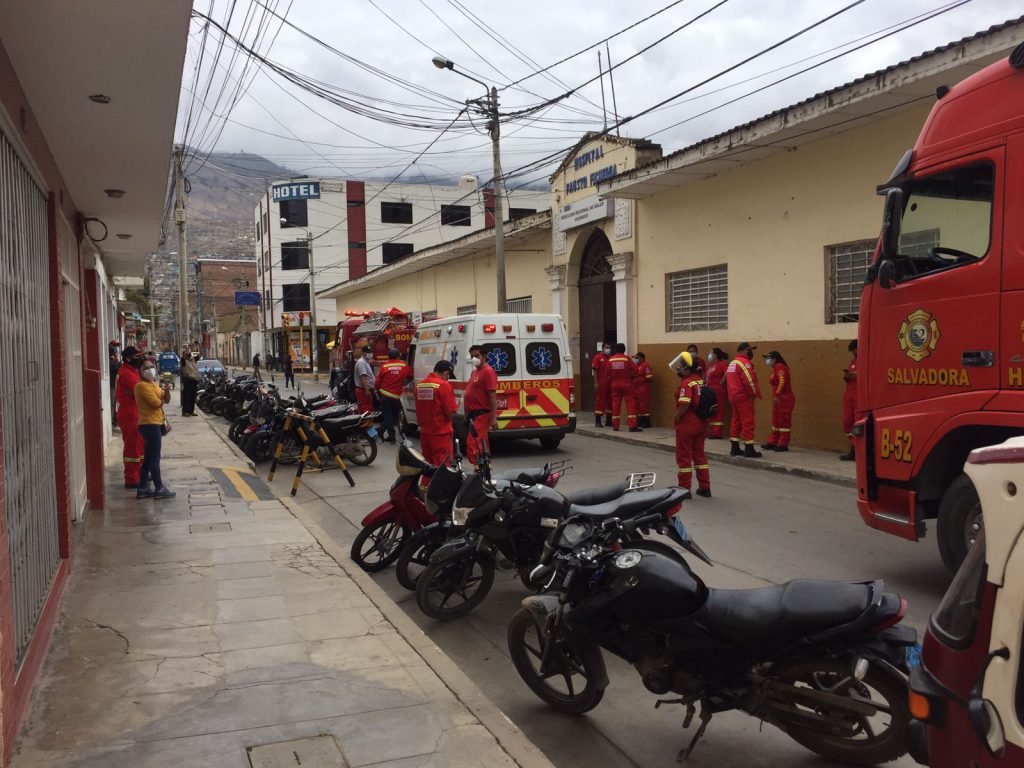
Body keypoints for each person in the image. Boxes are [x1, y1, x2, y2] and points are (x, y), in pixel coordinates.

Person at [671, 351, 711, 497]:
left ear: (688, 368)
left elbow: (684, 404)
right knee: (700, 456)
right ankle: (705, 487)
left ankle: (684, 489)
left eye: (681, 367)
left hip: (687, 423)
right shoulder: (700, 380)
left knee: (684, 457)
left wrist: (677, 417)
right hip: (701, 423)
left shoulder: (687, 383)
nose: (679, 369)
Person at [134, 358, 175, 499]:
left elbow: (166, 399)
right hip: (149, 424)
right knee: (155, 458)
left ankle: (143, 488)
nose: (150, 370)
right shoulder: (141, 386)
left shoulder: (153, 384)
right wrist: (163, 397)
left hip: (155, 423)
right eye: (146, 368)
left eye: (152, 366)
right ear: (140, 371)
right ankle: (159, 488)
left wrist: (167, 391)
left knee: (148, 458)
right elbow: (156, 403)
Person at [415, 360, 457, 466]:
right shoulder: (444, 386)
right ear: (446, 373)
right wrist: (457, 406)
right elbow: (450, 414)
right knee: (443, 466)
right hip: (441, 434)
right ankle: (441, 483)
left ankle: (425, 483)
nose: (448, 379)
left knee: (427, 466)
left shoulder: (420, 385)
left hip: (425, 433)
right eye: (448, 376)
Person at [115, 347, 145, 488]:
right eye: (137, 356)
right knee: (132, 447)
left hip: (135, 412)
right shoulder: (127, 373)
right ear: (128, 358)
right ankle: (131, 478)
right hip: (129, 413)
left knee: (140, 445)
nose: (140, 359)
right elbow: (141, 389)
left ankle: (140, 473)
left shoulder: (132, 371)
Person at [726, 342, 762, 458]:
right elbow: (749, 381)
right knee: (748, 422)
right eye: (748, 350)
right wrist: (754, 393)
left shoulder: (733, 363)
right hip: (744, 397)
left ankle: (735, 448)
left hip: (733, 396)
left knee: (736, 421)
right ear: (741, 351)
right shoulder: (745, 363)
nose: (750, 352)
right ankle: (749, 449)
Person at [464, 344, 498, 465]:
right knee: (481, 444)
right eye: (472, 356)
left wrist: (493, 418)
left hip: (482, 414)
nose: (474, 358)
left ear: (484, 356)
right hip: (473, 415)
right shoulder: (475, 372)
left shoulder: (488, 371)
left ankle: (479, 469)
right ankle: (484, 469)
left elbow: (492, 395)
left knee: (473, 444)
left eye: (477, 356)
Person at [375, 348, 411, 444]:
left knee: (388, 415)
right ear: (398, 356)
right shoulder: (404, 365)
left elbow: (377, 381)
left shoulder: (384, 366)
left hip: (385, 394)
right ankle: (390, 435)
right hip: (396, 396)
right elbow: (410, 375)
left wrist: (376, 389)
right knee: (394, 416)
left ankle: (382, 429)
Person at [761, 351, 795, 452]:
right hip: (778, 398)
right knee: (776, 420)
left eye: (768, 358)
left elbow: (782, 381)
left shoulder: (780, 366)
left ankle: (783, 444)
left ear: (774, 358)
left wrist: (777, 394)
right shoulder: (775, 368)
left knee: (783, 421)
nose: (767, 360)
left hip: (784, 398)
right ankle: (772, 442)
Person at [607, 343, 640, 432]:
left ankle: (615, 426)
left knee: (615, 404)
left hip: (614, 384)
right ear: (624, 350)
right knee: (630, 404)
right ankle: (632, 426)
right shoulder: (627, 359)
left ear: (616, 350)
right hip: (627, 383)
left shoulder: (611, 360)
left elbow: (608, 374)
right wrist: (631, 376)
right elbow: (636, 371)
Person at [705, 347, 729, 439]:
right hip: (710, 391)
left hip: (718, 391)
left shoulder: (722, 364)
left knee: (719, 411)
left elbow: (727, 373)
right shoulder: (711, 366)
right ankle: (712, 431)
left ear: (716, 355)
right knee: (711, 411)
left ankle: (717, 433)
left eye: (711, 353)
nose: (709, 355)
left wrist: (722, 382)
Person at [840, 340, 858, 461]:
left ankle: (858, 452)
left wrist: (857, 375)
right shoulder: (853, 361)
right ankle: (853, 450)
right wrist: (848, 376)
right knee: (847, 423)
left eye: (854, 350)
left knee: (858, 426)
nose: (853, 353)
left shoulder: (867, 360)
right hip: (850, 397)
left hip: (859, 398)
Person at [632, 351, 654, 428]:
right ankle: (641, 421)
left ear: (641, 358)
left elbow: (649, 377)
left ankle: (647, 422)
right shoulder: (635, 365)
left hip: (643, 389)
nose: (635, 359)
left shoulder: (646, 365)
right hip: (635, 389)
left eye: (637, 358)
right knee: (637, 406)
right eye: (635, 358)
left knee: (644, 405)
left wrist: (642, 382)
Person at [592, 343, 611, 427]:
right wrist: (596, 382)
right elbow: (594, 371)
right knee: (600, 401)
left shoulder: (611, 358)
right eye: (607, 347)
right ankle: (598, 421)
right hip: (601, 382)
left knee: (610, 401)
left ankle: (609, 421)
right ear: (602, 348)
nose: (608, 349)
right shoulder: (597, 357)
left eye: (609, 348)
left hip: (610, 382)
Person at [354, 345, 375, 413]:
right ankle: (366, 423)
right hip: (363, 390)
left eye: (370, 352)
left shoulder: (365, 362)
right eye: (367, 352)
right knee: (366, 409)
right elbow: (362, 376)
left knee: (367, 407)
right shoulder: (361, 362)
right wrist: (367, 389)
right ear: (363, 353)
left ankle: (366, 423)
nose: (369, 354)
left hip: (364, 389)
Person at [180, 350, 200, 416]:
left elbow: (199, 356)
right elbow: (182, 359)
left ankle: (191, 411)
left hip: (194, 380)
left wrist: (198, 348)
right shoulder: (184, 361)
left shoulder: (193, 360)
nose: (189, 353)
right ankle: (185, 412)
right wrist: (184, 356)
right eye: (187, 353)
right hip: (188, 380)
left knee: (193, 397)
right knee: (187, 397)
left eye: (189, 353)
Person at [108, 340, 121, 428]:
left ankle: (114, 418)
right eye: (115, 346)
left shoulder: (115, 359)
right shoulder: (111, 360)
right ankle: (112, 419)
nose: (116, 349)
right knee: (112, 402)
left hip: (115, 384)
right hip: (112, 384)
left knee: (115, 402)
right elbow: (115, 367)